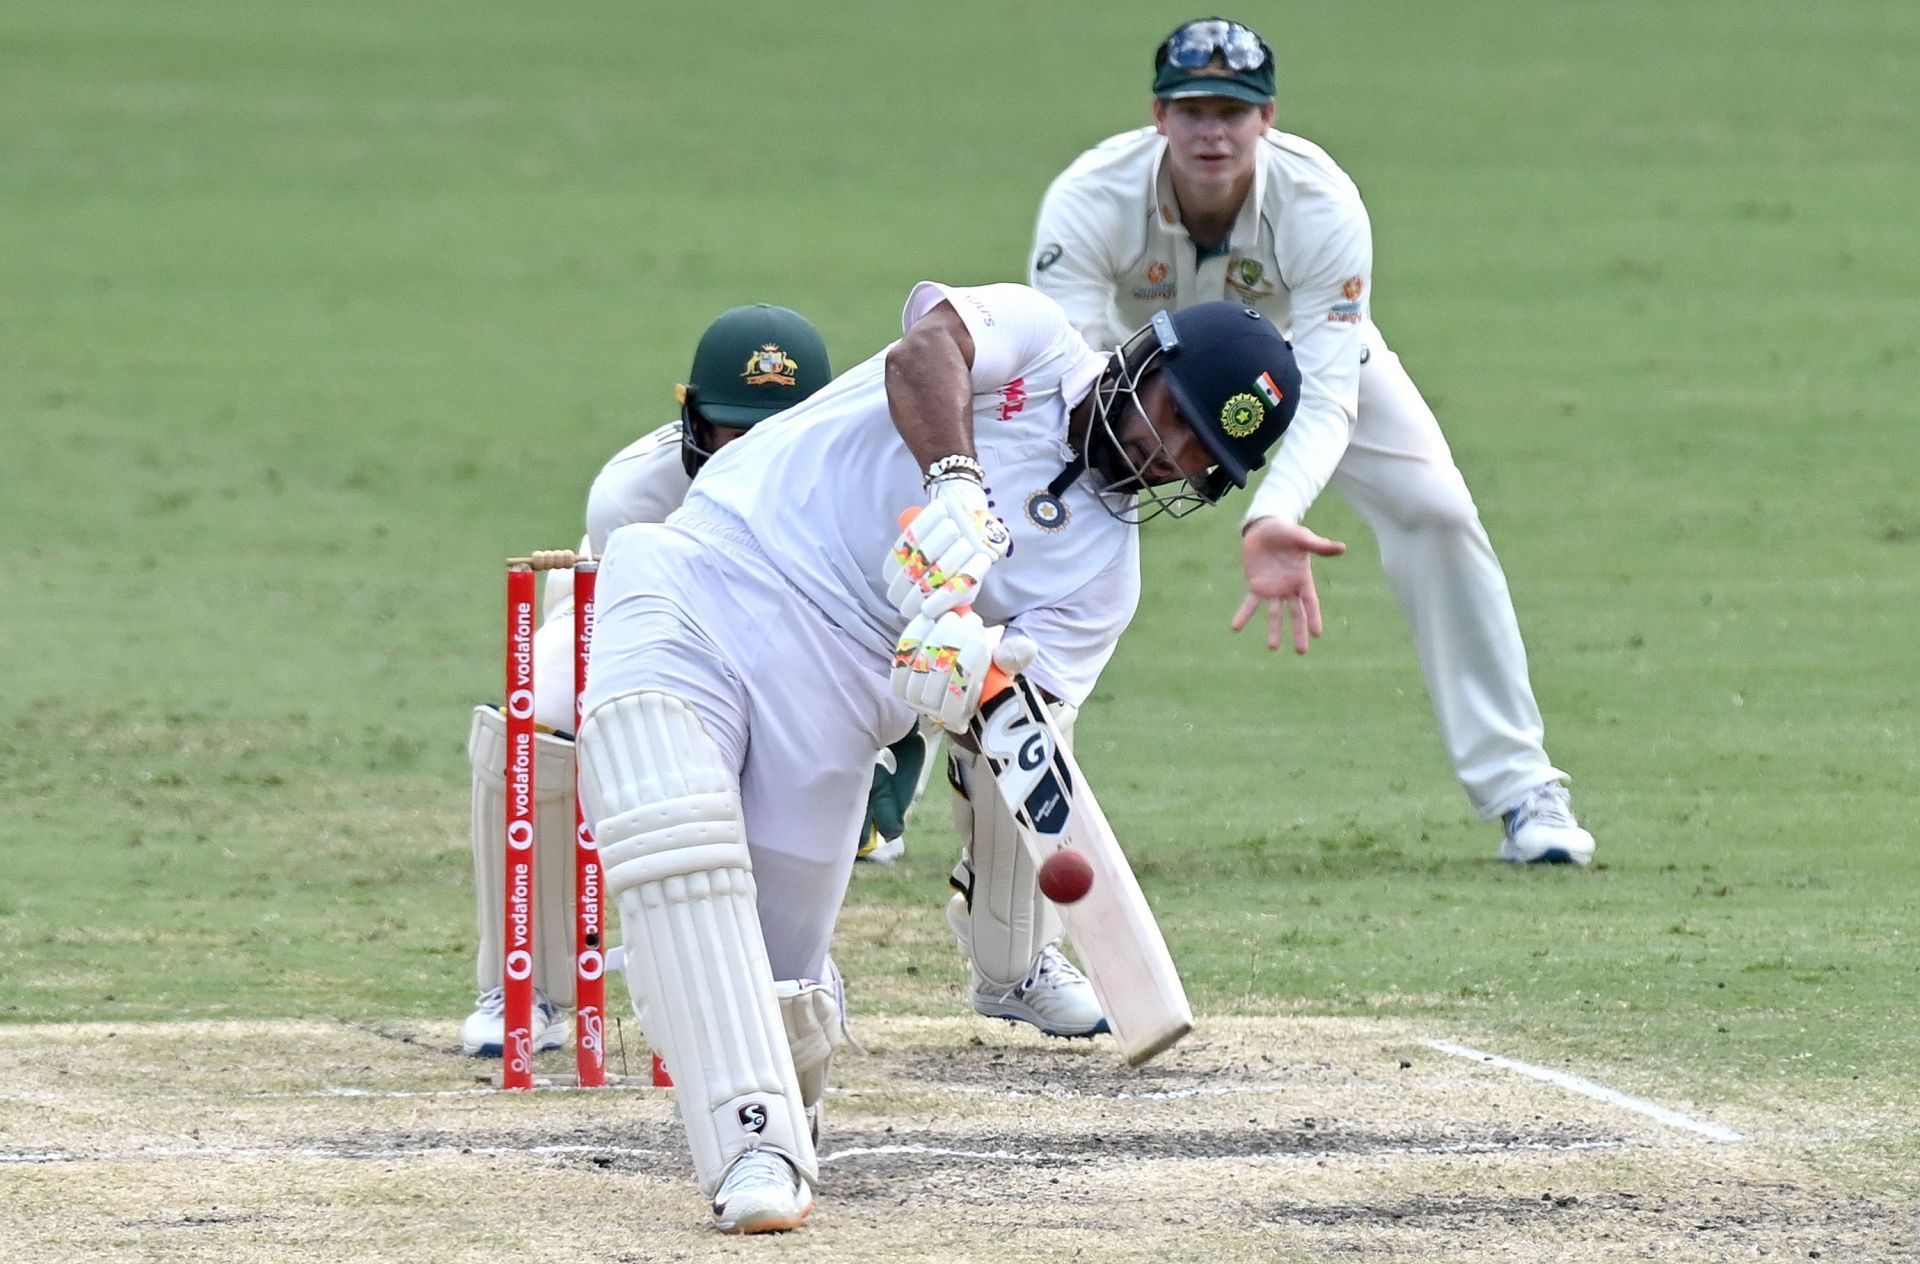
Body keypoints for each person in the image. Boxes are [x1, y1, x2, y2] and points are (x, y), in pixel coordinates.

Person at [574, 281, 1300, 1232]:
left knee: (771, 974)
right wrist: (954, 478)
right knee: (670, 830)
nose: (1171, 453)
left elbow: (1010, 729)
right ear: (1141, 360)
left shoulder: (1101, 581)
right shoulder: (1039, 346)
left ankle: (788, 1082)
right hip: (714, 569)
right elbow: (926, 353)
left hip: (838, 702)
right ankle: (755, 1147)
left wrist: (967, 681)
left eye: (1204, 459)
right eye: (1177, 418)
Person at [1027, 17, 1596, 865]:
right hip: (1139, 374)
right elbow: (1064, 366)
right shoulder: (1089, 198)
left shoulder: (1322, 202)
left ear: (1269, 117)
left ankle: (1523, 790)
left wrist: (1272, 513)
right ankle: (896, 788)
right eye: (1192, 110)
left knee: (1436, 509)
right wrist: (1120, 448)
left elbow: (1330, 394)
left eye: (1232, 109)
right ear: (1158, 115)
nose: (1211, 131)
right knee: (1021, 515)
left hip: (1296, 361)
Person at [459, 305, 840, 1056]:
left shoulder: (850, 477)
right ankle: (522, 983)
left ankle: (780, 970)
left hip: (796, 638)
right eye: (735, 430)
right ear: (693, 420)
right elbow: (639, 642)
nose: (751, 453)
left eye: (777, 430)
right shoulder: (632, 494)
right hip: (636, 614)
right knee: (542, 712)